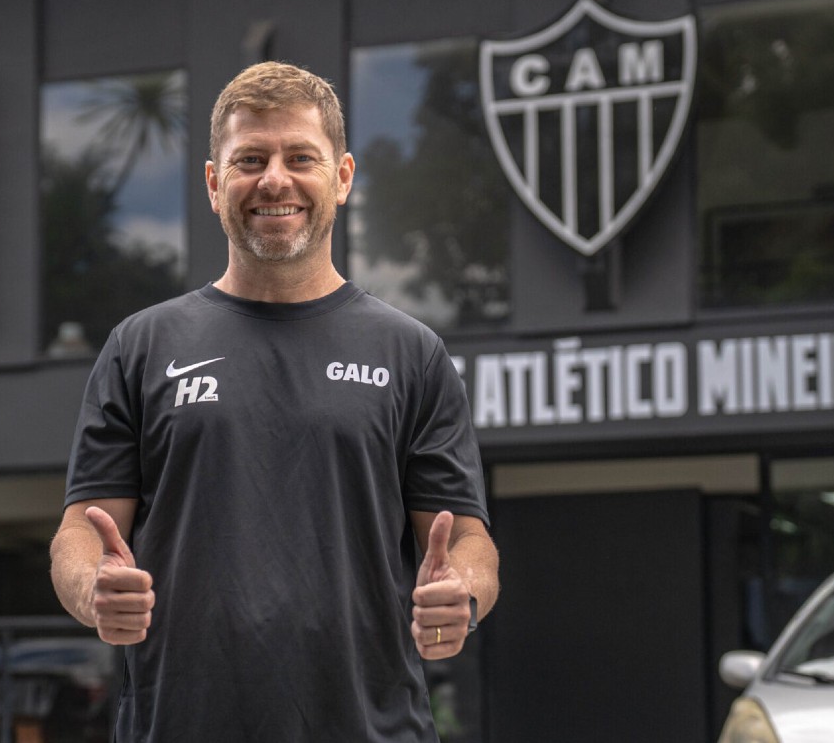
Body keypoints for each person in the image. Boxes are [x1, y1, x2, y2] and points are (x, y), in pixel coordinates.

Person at [51, 60, 499, 742]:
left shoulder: (411, 354)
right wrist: (91, 588)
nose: (275, 180)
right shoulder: (140, 346)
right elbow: (81, 529)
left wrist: (461, 594)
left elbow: (467, 536)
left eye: (301, 157)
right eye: (250, 159)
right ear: (213, 183)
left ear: (343, 177)